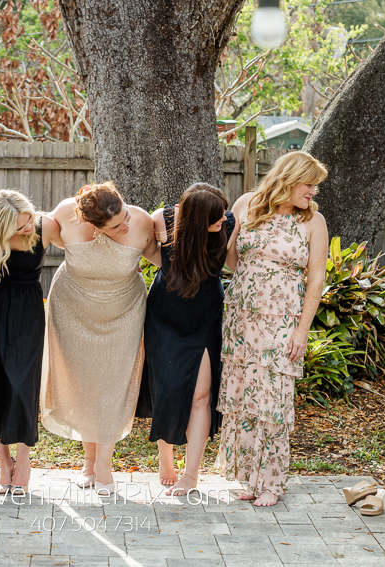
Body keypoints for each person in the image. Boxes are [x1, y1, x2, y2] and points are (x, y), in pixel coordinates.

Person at [217, 151, 329, 507]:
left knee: (273, 399)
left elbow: (316, 281)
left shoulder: (314, 222)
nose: (313, 192)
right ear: (289, 178)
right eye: (309, 184)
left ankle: (271, 483)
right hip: (242, 319)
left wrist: (301, 330)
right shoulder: (247, 204)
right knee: (243, 396)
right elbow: (229, 256)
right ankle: (247, 477)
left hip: (283, 321)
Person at [40, 182, 159, 495]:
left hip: (123, 315)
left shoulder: (142, 221)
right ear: (95, 227)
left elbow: (165, 260)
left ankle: (104, 468)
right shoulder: (64, 215)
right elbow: (32, 239)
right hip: (73, 311)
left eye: (125, 214)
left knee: (112, 387)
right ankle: (88, 463)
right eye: (118, 225)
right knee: (83, 387)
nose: (127, 223)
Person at [142, 183, 236, 495]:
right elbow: (150, 251)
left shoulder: (229, 224)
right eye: (216, 217)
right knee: (167, 389)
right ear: (196, 219)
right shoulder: (163, 220)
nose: (223, 220)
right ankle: (165, 457)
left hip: (205, 319)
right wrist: (174, 269)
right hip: (165, 318)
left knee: (200, 395)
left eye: (224, 214)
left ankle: (191, 475)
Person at [0, 189, 61, 496]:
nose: (28, 228)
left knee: (23, 385)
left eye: (28, 220)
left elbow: (77, 242)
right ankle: (3, 463)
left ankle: (24, 462)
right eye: (20, 225)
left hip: (28, 312)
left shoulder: (45, 226)